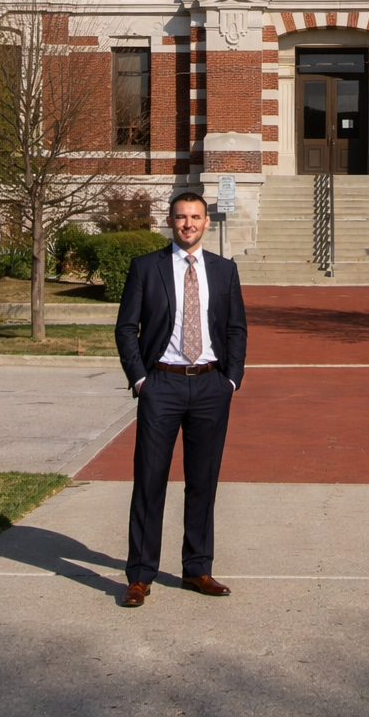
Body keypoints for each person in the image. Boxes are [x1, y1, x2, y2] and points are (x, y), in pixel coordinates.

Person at [114, 190, 247, 605]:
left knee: (202, 482)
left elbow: (236, 329)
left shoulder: (225, 270)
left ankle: (197, 569)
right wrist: (140, 380)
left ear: (207, 222)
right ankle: (140, 574)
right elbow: (126, 329)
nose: (188, 223)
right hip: (162, 386)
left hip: (210, 386)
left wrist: (230, 381)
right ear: (169, 222)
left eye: (195, 217)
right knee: (150, 480)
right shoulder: (146, 268)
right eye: (181, 217)